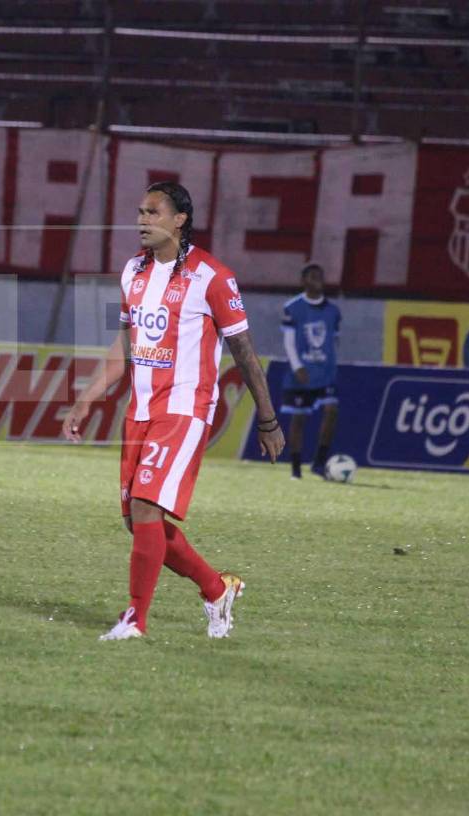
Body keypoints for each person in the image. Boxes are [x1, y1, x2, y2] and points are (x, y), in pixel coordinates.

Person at [62, 181, 285, 641]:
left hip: (184, 408)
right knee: (139, 522)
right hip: (139, 411)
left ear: (180, 220)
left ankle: (134, 620)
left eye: (153, 212)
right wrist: (87, 398)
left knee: (145, 508)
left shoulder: (212, 277)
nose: (142, 220)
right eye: (140, 212)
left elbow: (243, 351)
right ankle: (214, 587)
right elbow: (124, 345)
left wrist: (268, 419)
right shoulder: (131, 272)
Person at [280, 262, 342, 480]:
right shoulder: (292, 308)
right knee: (299, 419)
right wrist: (297, 366)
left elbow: (334, 341)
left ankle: (319, 462)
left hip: (325, 373)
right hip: (302, 373)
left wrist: (330, 363)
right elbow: (288, 341)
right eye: (313, 276)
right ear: (304, 281)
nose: (318, 280)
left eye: (321, 276)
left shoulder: (333, 311)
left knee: (331, 410)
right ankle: (295, 469)